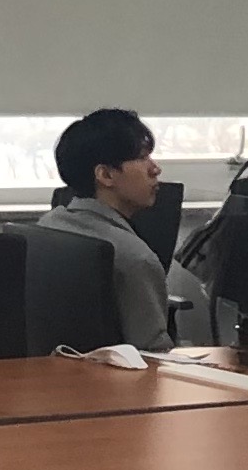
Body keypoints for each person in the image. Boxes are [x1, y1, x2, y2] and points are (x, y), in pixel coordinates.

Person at [31, 106, 173, 349]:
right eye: (142, 158)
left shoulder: (48, 226)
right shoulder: (134, 258)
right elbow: (154, 353)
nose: (155, 169)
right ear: (105, 175)